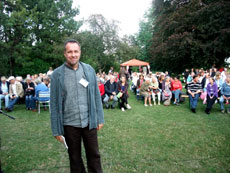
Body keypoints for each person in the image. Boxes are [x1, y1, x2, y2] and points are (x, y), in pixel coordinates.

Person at [50, 39, 104, 173]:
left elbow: (96, 95)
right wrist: (56, 130)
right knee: (74, 159)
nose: (73, 55)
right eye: (70, 52)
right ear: (65, 53)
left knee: (94, 156)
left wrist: (100, 118)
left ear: (80, 52)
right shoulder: (57, 74)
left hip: (89, 122)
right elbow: (54, 104)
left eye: (76, 51)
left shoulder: (89, 70)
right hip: (69, 124)